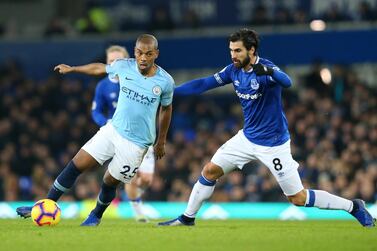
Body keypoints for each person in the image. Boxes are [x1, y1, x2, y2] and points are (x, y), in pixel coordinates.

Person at [158, 28, 375, 227]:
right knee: (209, 171)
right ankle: (187, 218)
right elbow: (204, 84)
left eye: (237, 50)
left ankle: (353, 206)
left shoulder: (267, 68)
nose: (233, 55)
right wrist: (171, 92)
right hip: (246, 138)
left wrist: (269, 72)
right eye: (231, 50)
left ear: (251, 50)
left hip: (274, 145)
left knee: (297, 198)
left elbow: (287, 82)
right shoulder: (232, 71)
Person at [16, 34, 174, 226]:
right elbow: (99, 68)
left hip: (137, 143)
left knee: (110, 181)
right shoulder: (124, 66)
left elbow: (166, 109)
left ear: (156, 54)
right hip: (113, 130)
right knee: (76, 164)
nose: (143, 58)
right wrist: (73, 69)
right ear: (135, 51)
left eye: (148, 54)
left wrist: (162, 141)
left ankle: (96, 215)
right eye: (139, 53)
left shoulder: (165, 81)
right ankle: (45, 204)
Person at [92, 45, 156, 222]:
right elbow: (96, 110)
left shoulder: (138, 79)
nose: (113, 64)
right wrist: (105, 122)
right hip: (119, 135)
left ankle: (135, 195)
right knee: (132, 177)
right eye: (110, 61)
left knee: (147, 180)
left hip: (143, 134)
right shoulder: (103, 85)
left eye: (117, 61)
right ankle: (138, 211)